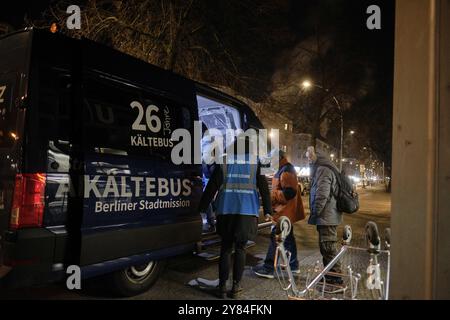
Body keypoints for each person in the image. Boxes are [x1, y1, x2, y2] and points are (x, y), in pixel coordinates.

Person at [198, 135, 272, 299]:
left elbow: (212, 186)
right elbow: (264, 189)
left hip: (226, 210)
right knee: (241, 249)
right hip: (247, 212)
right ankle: (236, 288)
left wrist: (202, 208)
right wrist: (268, 210)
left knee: (225, 249)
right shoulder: (255, 163)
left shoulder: (225, 160)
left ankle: (222, 288)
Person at [253, 150, 305, 278]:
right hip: (286, 211)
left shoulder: (286, 170)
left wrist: (273, 196)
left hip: (284, 212)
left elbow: (290, 192)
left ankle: (269, 267)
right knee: (289, 240)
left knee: (274, 238)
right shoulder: (283, 168)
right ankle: (293, 266)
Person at [306, 146, 343, 284]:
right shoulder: (325, 168)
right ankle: (330, 275)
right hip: (327, 216)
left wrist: (315, 212)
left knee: (328, 247)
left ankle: (336, 277)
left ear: (317, 156)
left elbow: (322, 195)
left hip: (327, 217)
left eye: (310, 156)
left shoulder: (323, 170)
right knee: (326, 247)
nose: (308, 160)